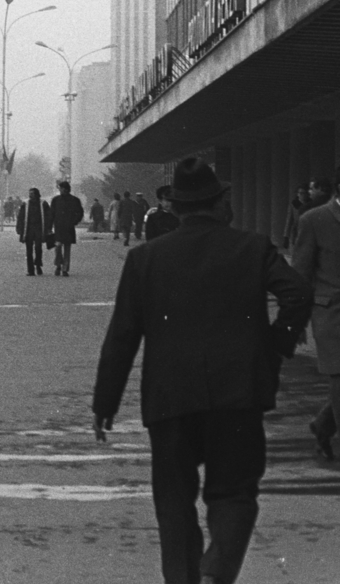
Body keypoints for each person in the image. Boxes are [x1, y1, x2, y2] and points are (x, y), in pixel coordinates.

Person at [93, 158, 310, 584]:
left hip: (170, 398)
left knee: (173, 505)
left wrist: (105, 402)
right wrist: (274, 345)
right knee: (234, 493)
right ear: (219, 203)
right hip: (238, 395)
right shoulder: (252, 247)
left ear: (176, 208)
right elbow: (298, 294)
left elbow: (123, 335)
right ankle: (217, 569)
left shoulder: (145, 259)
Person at [294, 171, 340, 461]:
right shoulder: (313, 220)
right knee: (339, 374)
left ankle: (323, 424)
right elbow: (301, 272)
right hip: (331, 312)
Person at [49, 180, 84, 276]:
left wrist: (74, 221)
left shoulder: (74, 200)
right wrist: (49, 226)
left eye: (61, 188)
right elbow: (51, 214)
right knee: (58, 247)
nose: (60, 190)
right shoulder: (55, 200)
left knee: (67, 249)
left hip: (69, 228)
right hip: (59, 227)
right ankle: (58, 265)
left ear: (66, 189)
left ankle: (65, 268)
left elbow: (80, 213)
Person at [17, 187, 50, 276]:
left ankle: (38, 264)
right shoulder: (26, 204)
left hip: (39, 228)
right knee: (29, 250)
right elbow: (21, 216)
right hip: (28, 229)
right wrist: (19, 228)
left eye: (32, 193)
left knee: (38, 248)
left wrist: (48, 228)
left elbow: (48, 216)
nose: (30, 195)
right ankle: (30, 270)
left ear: (36, 194)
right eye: (29, 193)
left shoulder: (43, 204)